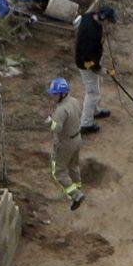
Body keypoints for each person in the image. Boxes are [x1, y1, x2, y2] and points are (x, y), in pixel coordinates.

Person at [74, 5, 116, 134]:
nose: (109, 24)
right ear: (103, 17)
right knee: (92, 93)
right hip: (85, 63)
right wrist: (98, 69)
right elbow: (88, 58)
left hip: (87, 59)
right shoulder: (93, 34)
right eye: (108, 21)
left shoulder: (88, 17)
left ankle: (95, 110)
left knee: (96, 86)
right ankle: (86, 124)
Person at [46, 77, 86, 211]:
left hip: (65, 143)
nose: (53, 96)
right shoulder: (74, 101)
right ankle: (77, 186)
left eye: (55, 94)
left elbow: (56, 128)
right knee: (74, 166)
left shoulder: (60, 110)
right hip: (77, 138)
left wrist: (50, 122)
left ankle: (76, 194)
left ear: (62, 94)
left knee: (59, 172)